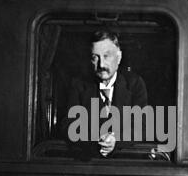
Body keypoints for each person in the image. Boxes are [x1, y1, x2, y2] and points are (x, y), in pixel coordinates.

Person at [61, 30, 148, 159]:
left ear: (119, 57)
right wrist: (97, 139)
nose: (101, 64)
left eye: (107, 56)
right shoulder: (78, 85)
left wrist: (116, 140)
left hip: (125, 163)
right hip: (89, 163)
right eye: (95, 57)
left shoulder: (135, 84)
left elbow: (143, 126)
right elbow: (68, 126)